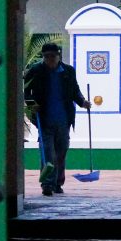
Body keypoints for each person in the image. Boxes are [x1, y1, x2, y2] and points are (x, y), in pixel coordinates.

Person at [24, 42, 91, 195]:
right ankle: (47, 184)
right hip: (44, 119)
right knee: (48, 153)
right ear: (43, 57)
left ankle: (58, 183)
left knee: (61, 153)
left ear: (58, 55)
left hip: (64, 120)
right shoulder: (35, 71)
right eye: (46, 56)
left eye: (53, 56)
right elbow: (26, 91)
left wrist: (82, 102)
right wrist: (31, 104)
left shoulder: (68, 71)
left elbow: (75, 91)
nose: (50, 59)